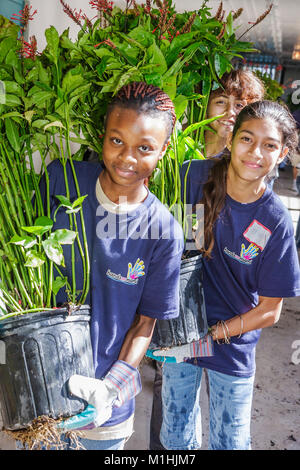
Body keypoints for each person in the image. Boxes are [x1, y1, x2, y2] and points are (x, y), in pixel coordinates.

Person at [39, 82, 184, 450]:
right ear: (102, 134)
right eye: (116, 140)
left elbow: (144, 324)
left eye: (145, 148)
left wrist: (111, 388)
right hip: (42, 396)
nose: (127, 158)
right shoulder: (62, 180)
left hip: (103, 413)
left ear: (163, 150)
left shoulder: (163, 231)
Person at [148, 100, 300, 450]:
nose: (255, 152)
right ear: (231, 138)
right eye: (247, 138)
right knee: (174, 438)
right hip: (179, 336)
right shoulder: (191, 177)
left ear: (282, 155)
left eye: (270, 145)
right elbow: (167, 247)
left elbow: (270, 310)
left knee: (229, 442)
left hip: (232, 343)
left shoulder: (274, 220)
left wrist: (213, 335)